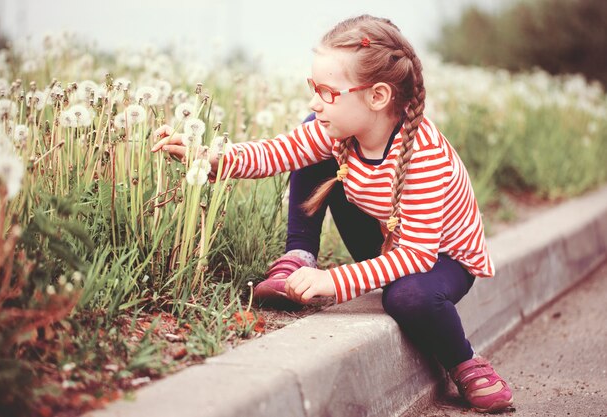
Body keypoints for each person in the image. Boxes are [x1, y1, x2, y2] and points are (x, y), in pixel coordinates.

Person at [152, 14, 513, 413]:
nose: (313, 101)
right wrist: (209, 156)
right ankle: (298, 254)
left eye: (326, 91)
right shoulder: (334, 128)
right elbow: (276, 153)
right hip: (386, 236)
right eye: (313, 88)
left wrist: (332, 282)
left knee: (408, 296)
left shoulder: (424, 158)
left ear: (377, 96)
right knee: (313, 137)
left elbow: (417, 256)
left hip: (439, 257)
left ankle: (464, 362)